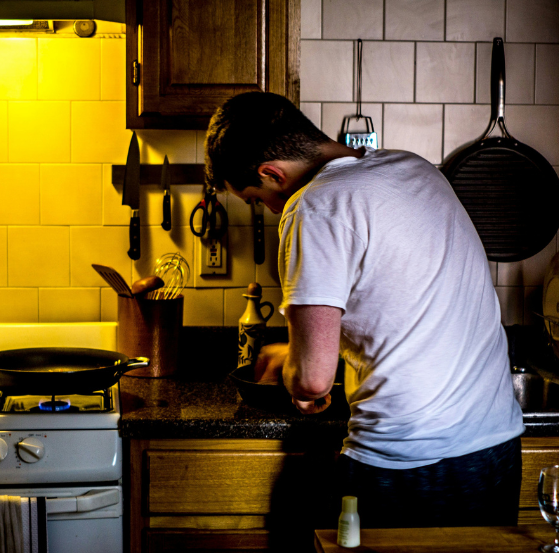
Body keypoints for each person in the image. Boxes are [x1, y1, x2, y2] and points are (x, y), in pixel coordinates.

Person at [204, 91, 525, 528]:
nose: (269, 209)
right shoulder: (412, 167)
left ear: (271, 173)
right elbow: (400, 307)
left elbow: (313, 380)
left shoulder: (314, 207)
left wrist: (292, 369)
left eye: (257, 199)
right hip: (494, 447)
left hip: (406, 460)